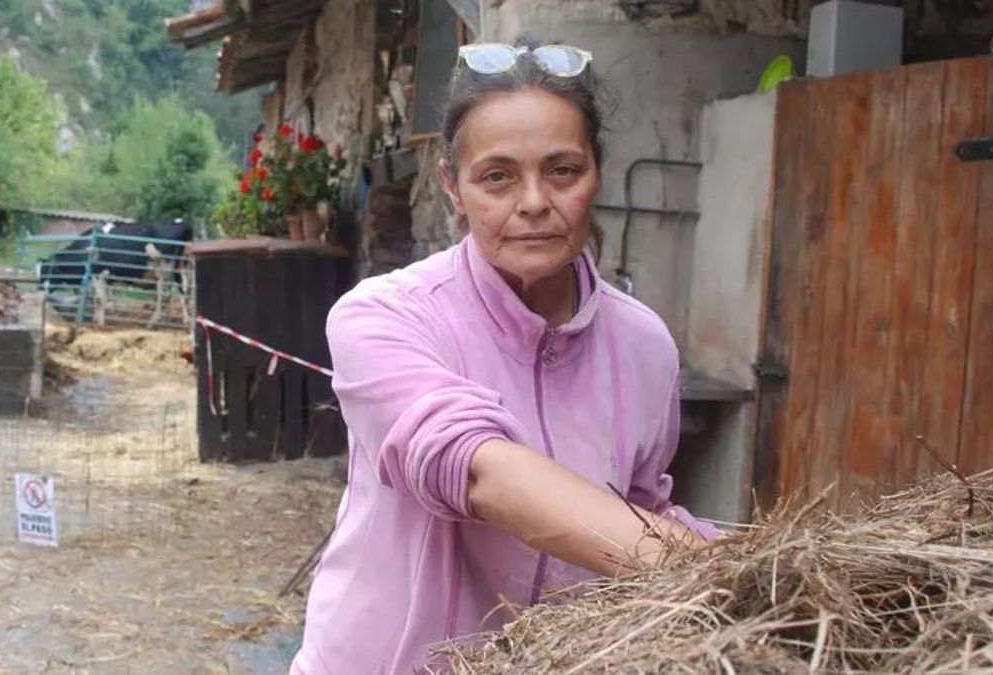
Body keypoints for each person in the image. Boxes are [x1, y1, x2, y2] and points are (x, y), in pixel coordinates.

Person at [291, 41, 716, 674]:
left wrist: (731, 550)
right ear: (452, 188)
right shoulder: (386, 315)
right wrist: (728, 572)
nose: (535, 201)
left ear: (597, 173)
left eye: (563, 171)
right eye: (497, 176)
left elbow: (638, 511)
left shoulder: (645, 346)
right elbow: (476, 470)